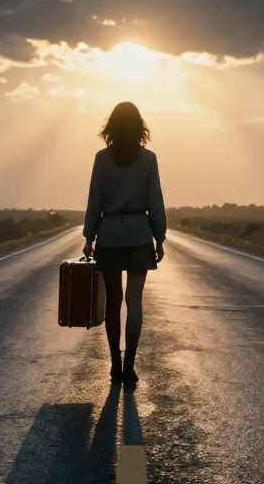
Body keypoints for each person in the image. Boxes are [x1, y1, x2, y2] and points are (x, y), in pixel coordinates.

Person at [82, 101, 166, 385]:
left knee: (113, 303)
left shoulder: (102, 159)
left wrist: (89, 237)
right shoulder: (149, 159)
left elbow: (95, 200)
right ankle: (130, 364)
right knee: (135, 302)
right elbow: (155, 200)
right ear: (140, 126)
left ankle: (115, 364)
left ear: (112, 128)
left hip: (110, 235)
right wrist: (160, 237)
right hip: (140, 235)